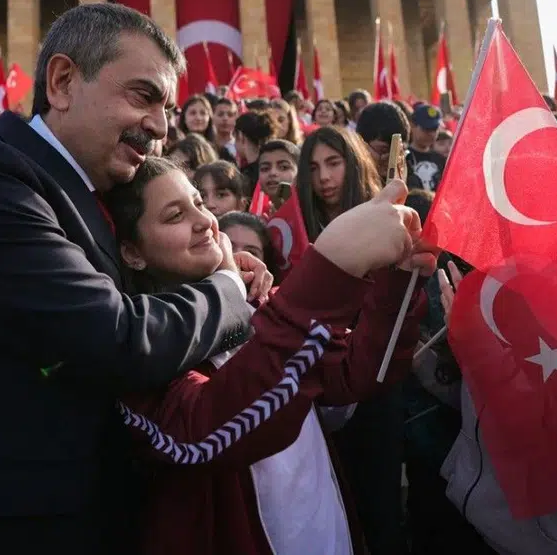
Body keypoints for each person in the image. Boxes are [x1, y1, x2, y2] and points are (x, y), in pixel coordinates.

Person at [0, 3, 270, 555]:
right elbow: (113, 337)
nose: (161, 125)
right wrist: (225, 290)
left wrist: (199, 263)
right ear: (62, 82)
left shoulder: (86, 190)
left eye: (167, 106)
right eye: (143, 95)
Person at [106, 157, 430, 554]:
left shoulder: (258, 305)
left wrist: (398, 278)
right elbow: (205, 433)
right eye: (175, 216)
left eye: (200, 204)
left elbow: (356, 374)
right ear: (132, 252)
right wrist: (328, 271)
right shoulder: (137, 350)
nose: (203, 221)